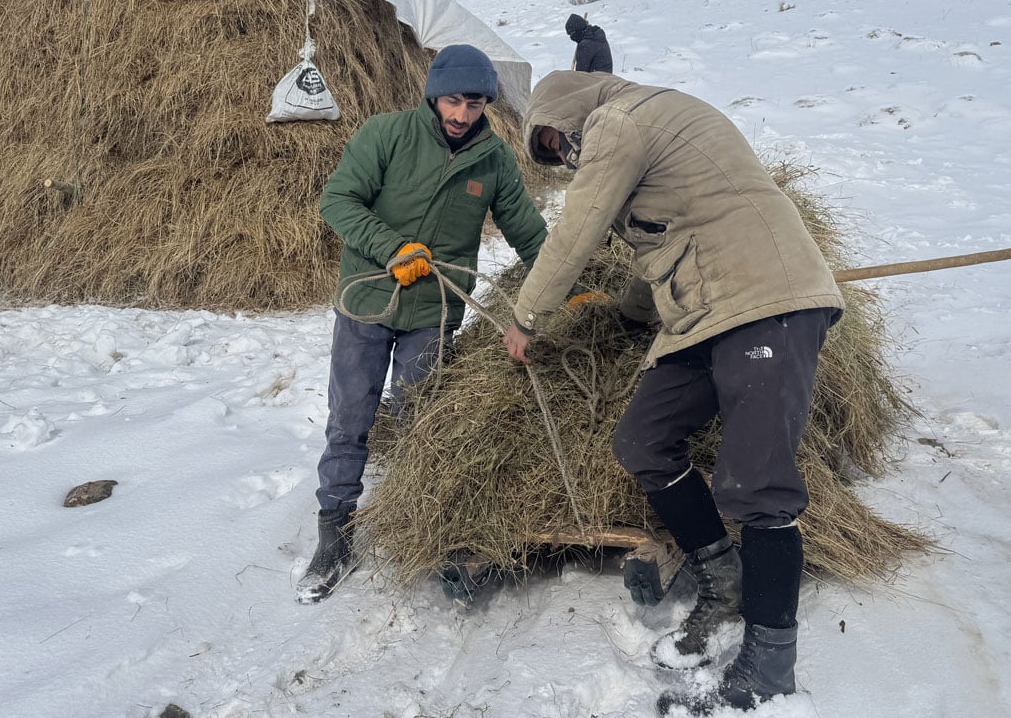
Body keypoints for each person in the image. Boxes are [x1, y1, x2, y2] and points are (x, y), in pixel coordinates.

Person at [502, 71, 844, 714]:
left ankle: (769, 673)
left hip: (767, 300)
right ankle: (721, 575)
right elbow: (663, 247)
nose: (562, 153)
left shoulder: (620, 120)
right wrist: (629, 317)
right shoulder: (641, 132)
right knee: (644, 440)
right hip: (705, 310)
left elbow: (578, 228)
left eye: (554, 137)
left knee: (757, 486)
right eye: (547, 152)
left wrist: (527, 317)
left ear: (567, 105)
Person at [297, 45, 548, 605]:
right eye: (454, 100)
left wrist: (566, 286)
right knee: (352, 416)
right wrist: (390, 249)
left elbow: (528, 232)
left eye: (476, 103)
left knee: (421, 418)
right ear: (434, 94)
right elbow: (338, 201)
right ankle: (334, 532)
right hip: (368, 303)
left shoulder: (494, 160)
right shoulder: (385, 135)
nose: (463, 114)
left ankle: (420, 525)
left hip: (433, 313)